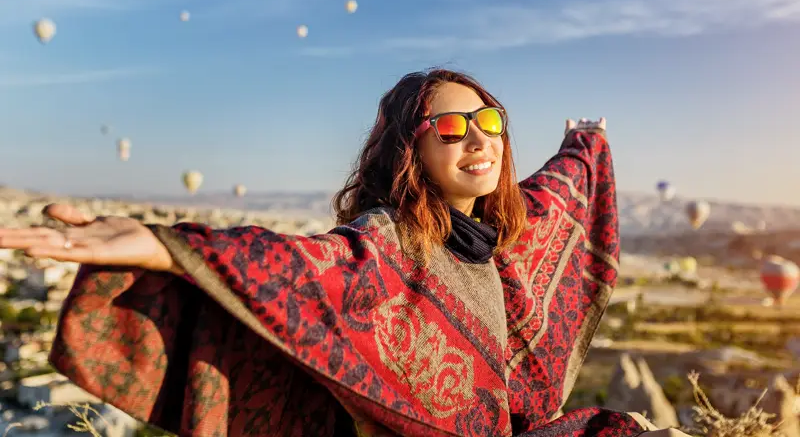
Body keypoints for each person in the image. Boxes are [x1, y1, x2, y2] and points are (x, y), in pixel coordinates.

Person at [0, 69, 688, 437]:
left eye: (490, 123)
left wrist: (586, 142)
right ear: (410, 148)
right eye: (451, 127)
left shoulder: (502, 234)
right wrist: (161, 245)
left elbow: (564, 192)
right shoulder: (393, 239)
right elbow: (296, 269)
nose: (478, 138)